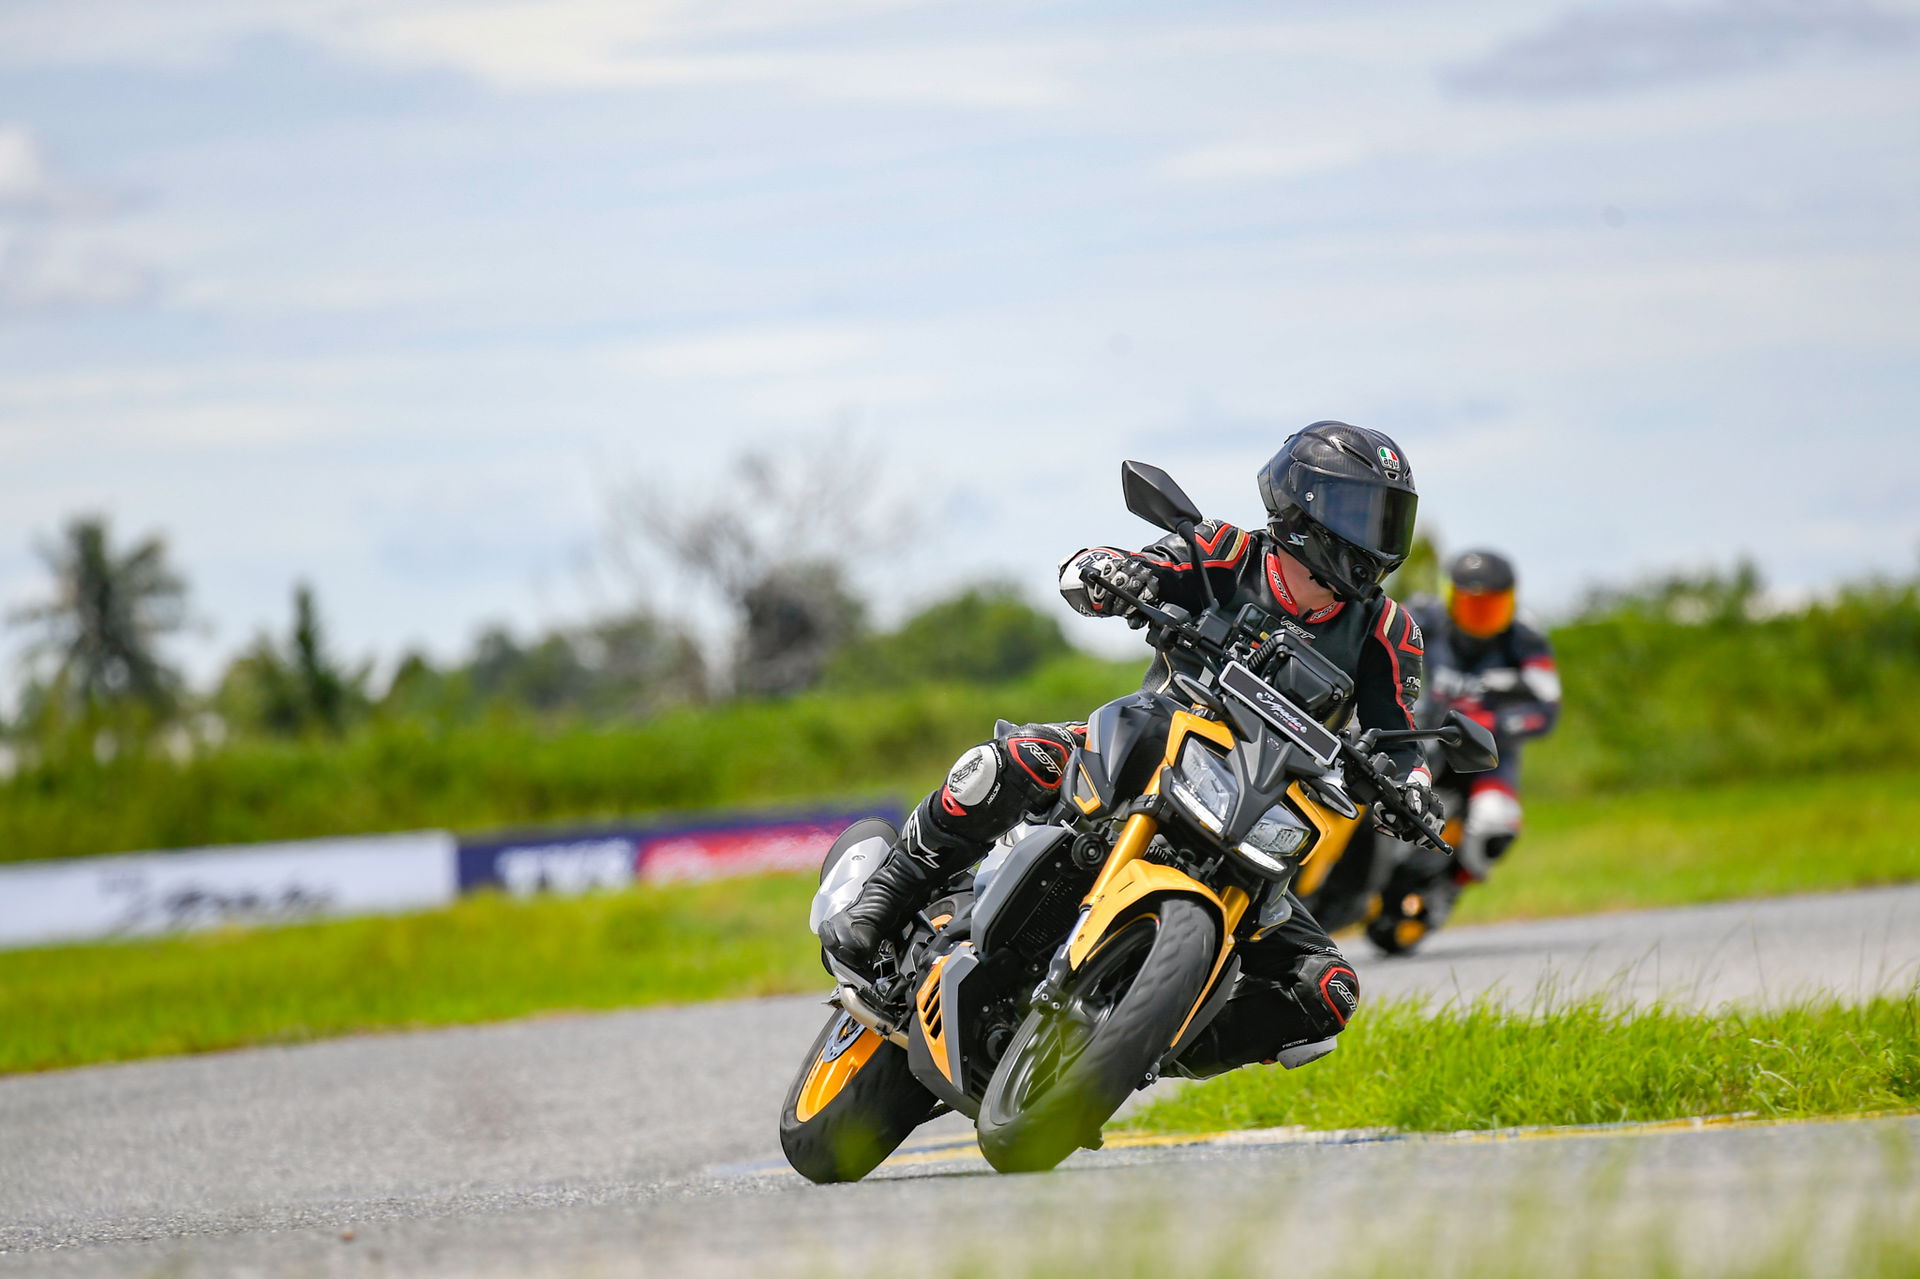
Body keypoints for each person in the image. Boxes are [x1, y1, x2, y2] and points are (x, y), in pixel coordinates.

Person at [821, 421, 1435, 1074]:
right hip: (1152, 743)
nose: (1372, 534)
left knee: (1326, 988)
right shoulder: (1226, 551)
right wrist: (1109, 570)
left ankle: (1138, 1046)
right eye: (1356, 510)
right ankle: (880, 902)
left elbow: (1398, 738)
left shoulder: (1388, 631)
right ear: (1301, 500)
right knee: (1010, 762)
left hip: (1262, 811)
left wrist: (1415, 789)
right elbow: (1144, 564)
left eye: (1384, 517)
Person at [1369, 549, 1560, 948]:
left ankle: (1448, 888)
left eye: (1491, 606)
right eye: (1471, 604)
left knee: (1496, 824)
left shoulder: (1526, 636)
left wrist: (1494, 723)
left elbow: (1546, 706)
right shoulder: (1421, 617)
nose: (1479, 617)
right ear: (1449, 594)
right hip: (1419, 733)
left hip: (1487, 751)